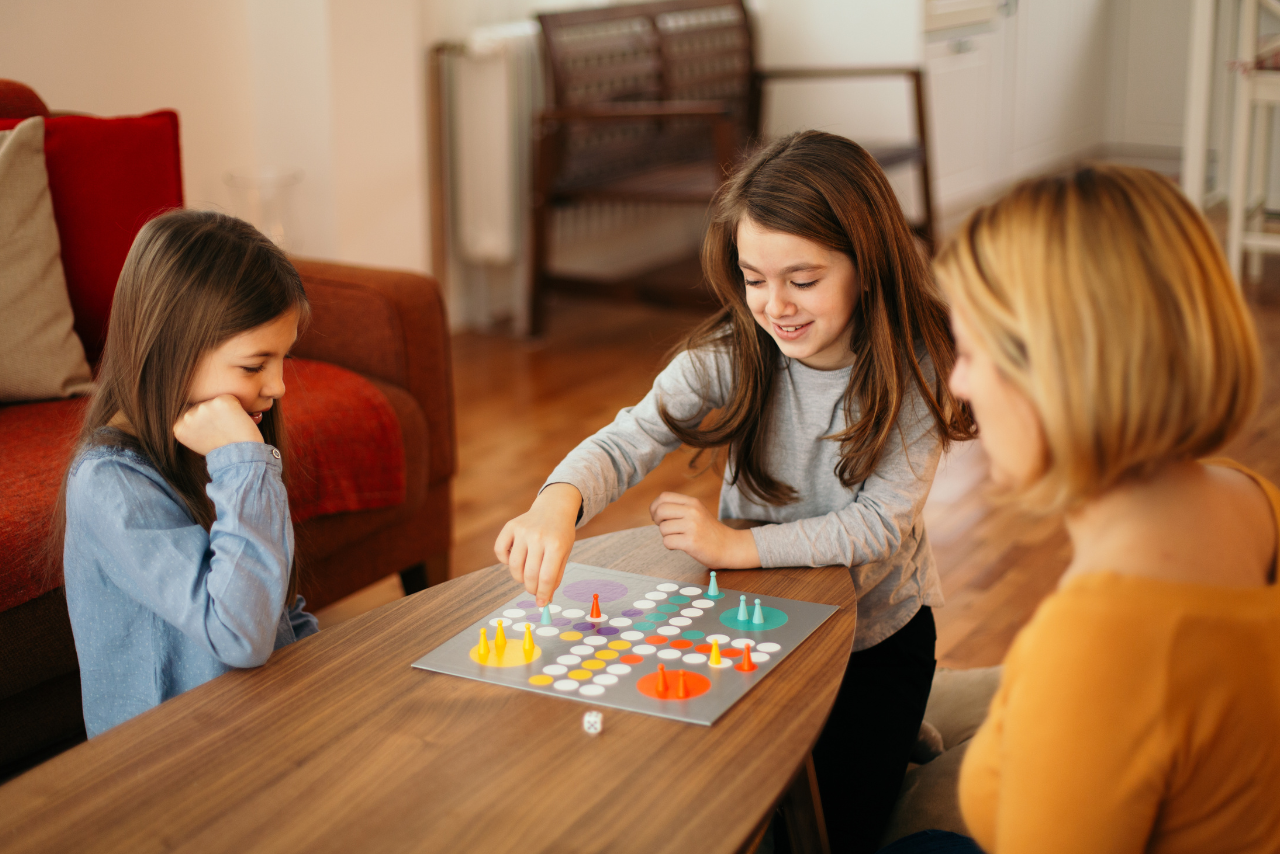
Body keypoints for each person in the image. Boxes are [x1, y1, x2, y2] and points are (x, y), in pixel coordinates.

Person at [496, 130, 975, 851]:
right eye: (754, 279)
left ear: (867, 265)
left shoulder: (918, 366)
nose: (774, 306)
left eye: (802, 280)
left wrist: (732, 547)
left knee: (830, 833)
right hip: (757, 620)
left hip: (875, 641)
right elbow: (629, 438)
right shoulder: (735, 353)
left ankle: (892, 727)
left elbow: (879, 525)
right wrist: (555, 503)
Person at [932, 164, 1280, 852]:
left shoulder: (1098, 649)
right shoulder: (1251, 497)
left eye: (970, 353)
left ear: (1056, 373)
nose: (957, 381)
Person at [56, 209, 319, 738]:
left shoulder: (207, 443)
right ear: (170, 348)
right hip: (175, 762)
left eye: (283, 359)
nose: (278, 386)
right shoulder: (110, 485)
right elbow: (240, 635)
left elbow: (273, 610)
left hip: (253, 727)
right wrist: (244, 463)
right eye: (254, 365)